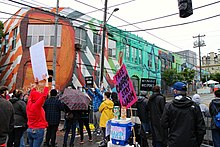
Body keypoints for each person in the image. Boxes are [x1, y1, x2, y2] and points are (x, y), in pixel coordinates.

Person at [161, 82, 206, 147]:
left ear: (175, 91)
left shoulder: (169, 106)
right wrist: (197, 142)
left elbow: (163, 124)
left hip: (174, 142)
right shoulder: (194, 106)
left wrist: (167, 141)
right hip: (191, 142)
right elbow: (201, 127)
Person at [26, 75, 49, 147]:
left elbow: (31, 94)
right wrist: (47, 81)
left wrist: (36, 84)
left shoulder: (29, 104)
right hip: (38, 129)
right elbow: (44, 95)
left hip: (30, 129)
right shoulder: (37, 106)